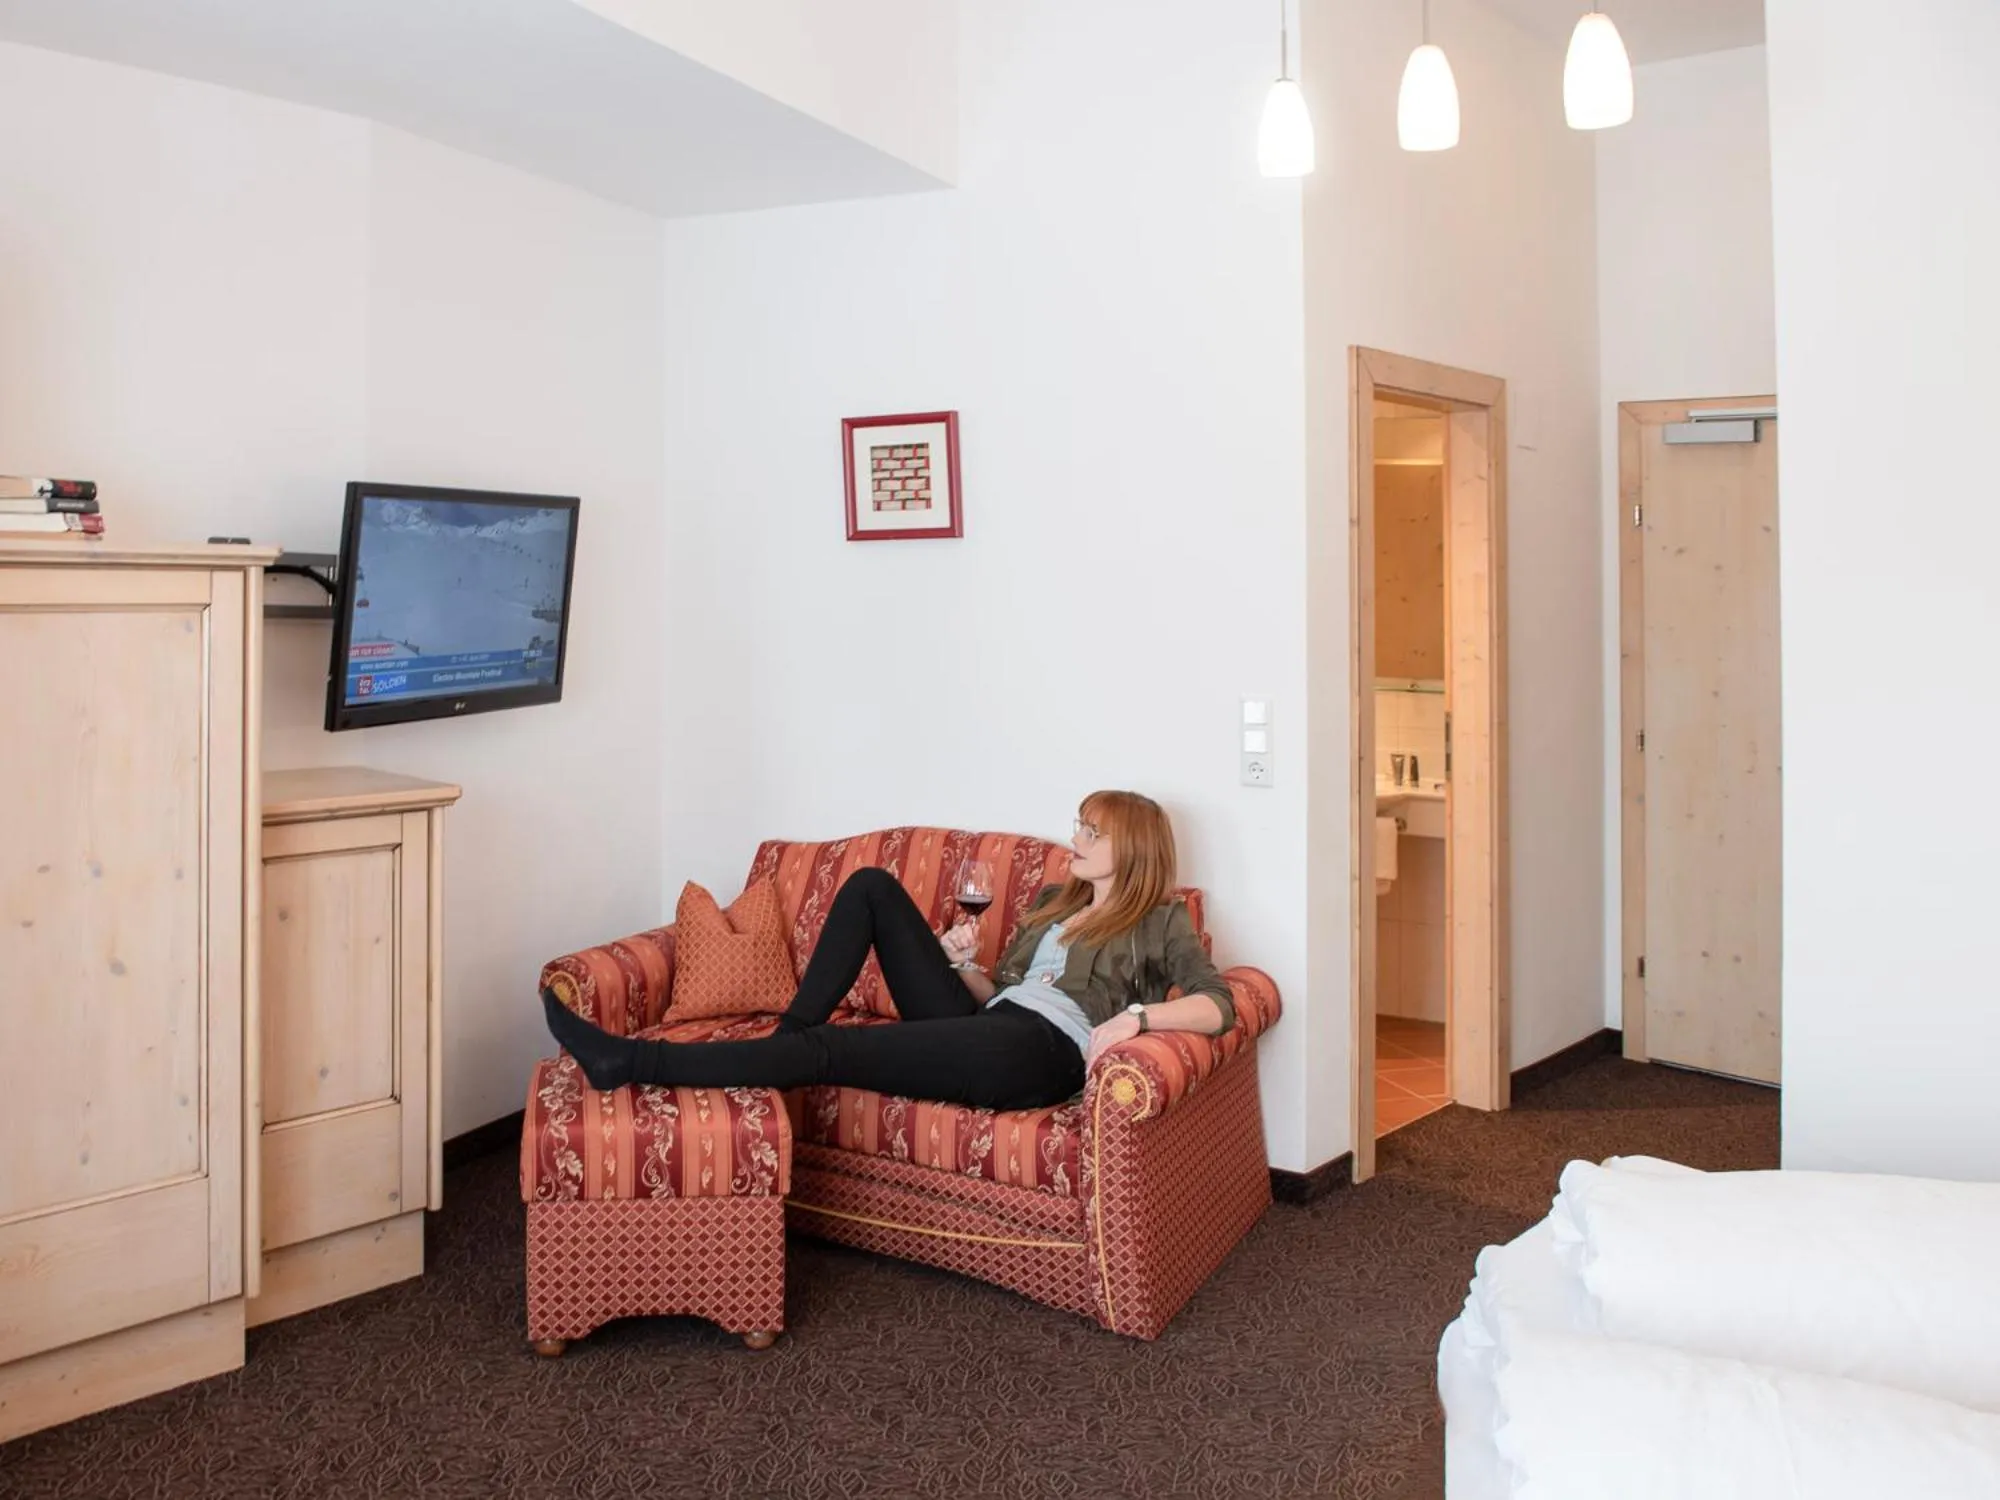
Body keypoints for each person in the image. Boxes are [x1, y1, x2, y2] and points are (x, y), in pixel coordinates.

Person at [539, 790, 1237, 1113]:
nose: (1076, 838)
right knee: (872, 886)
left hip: (1041, 1052)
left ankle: (630, 1061)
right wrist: (962, 965)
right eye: (1078, 824)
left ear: (1132, 848)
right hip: (990, 1022)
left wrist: (1140, 1021)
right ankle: (790, 1032)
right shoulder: (1056, 903)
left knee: (829, 1055)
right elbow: (997, 994)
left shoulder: (1159, 918)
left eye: (1092, 830)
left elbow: (1219, 1005)